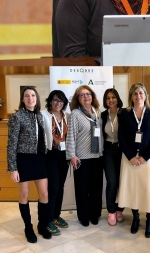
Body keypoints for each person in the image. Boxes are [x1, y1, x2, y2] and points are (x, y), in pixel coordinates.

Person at [7, 87, 51, 243]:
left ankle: (42, 225)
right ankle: (28, 227)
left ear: (37, 98)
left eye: (33, 95)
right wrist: (13, 168)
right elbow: (11, 144)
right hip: (23, 160)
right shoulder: (17, 117)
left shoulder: (39, 116)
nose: (30, 98)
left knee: (44, 194)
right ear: (23, 99)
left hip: (39, 159)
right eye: (27, 96)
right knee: (24, 194)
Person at [117, 82, 150, 238]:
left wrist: (144, 157)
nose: (138, 96)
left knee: (146, 188)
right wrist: (130, 156)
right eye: (135, 93)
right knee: (132, 188)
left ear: (145, 95)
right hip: (129, 159)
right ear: (131, 96)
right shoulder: (125, 113)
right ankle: (135, 217)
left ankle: (148, 219)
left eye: (141, 93)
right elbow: (121, 136)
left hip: (145, 159)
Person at [66, 85, 103, 227]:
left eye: (88, 94)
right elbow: (71, 136)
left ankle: (95, 214)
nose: (86, 97)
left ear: (92, 96)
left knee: (96, 189)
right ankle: (84, 216)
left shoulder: (97, 112)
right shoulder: (75, 114)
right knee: (82, 190)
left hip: (97, 157)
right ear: (77, 99)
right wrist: (72, 155)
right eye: (82, 95)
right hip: (81, 158)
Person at [41, 90, 69, 236]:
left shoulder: (66, 116)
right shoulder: (43, 115)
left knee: (61, 187)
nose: (58, 103)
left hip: (64, 155)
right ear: (50, 101)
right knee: (53, 188)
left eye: (61, 101)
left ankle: (56, 215)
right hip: (50, 154)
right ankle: (48, 219)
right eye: (55, 100)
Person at [101, 88, 125, 226]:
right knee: (112, 182)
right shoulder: (103, 115)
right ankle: (111, 211)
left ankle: (120, 209)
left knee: (122, 181)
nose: (111, 100)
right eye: (108, 98)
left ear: (118, 98)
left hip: (122, 150)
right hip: (108, 151)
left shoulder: (124, 113)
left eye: (113, 97)